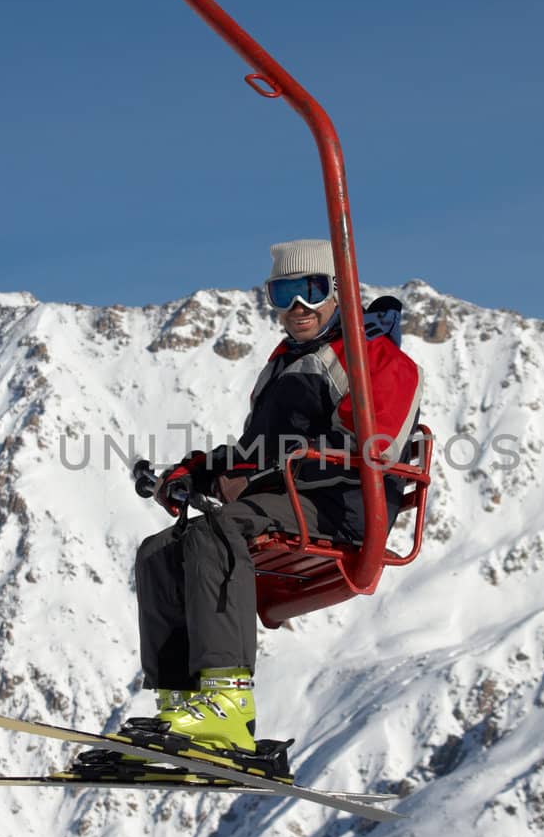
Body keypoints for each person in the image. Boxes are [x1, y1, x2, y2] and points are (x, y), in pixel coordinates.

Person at [131, 238, 422, 758]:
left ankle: (225, 704)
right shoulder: (284, 365)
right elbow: (252, 451)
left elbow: (366, 444)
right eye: (283, 293)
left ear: (338, 293)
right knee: (158, 551)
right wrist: (194, 473)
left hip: (342, 505)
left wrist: (262, 472)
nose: (298, 308)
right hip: (283, 497)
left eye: (311, 291)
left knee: (216, 532)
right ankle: (180, 703)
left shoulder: (375, 359)